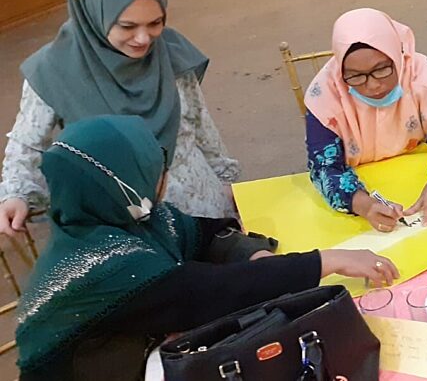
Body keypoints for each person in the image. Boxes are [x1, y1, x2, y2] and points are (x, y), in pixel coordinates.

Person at [15, 115, 400, 381]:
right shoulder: (100, 267)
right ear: (117, 185)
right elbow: (207, 292)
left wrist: (253, 255)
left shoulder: (123, 218)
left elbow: (208, 234)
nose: (162, 176)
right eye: (148, 169)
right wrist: (327, 260)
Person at [0, 0, 239, 231]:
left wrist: (228, 182)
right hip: (123, 224)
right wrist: (16, 194)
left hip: (200, 208)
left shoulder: (170, 54)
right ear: (93, 14)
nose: (143, 38)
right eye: (127, 26)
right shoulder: (55, 70)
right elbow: (27, 144)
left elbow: (200, 125)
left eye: (155, 23)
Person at [304, 8, 427, 232]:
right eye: (355, 76)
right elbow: (324, 167)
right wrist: (363, 204)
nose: (373, 85)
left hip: (420, 174)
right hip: (360, 186)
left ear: (397, 55)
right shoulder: (325, 95)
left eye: (382, 69)